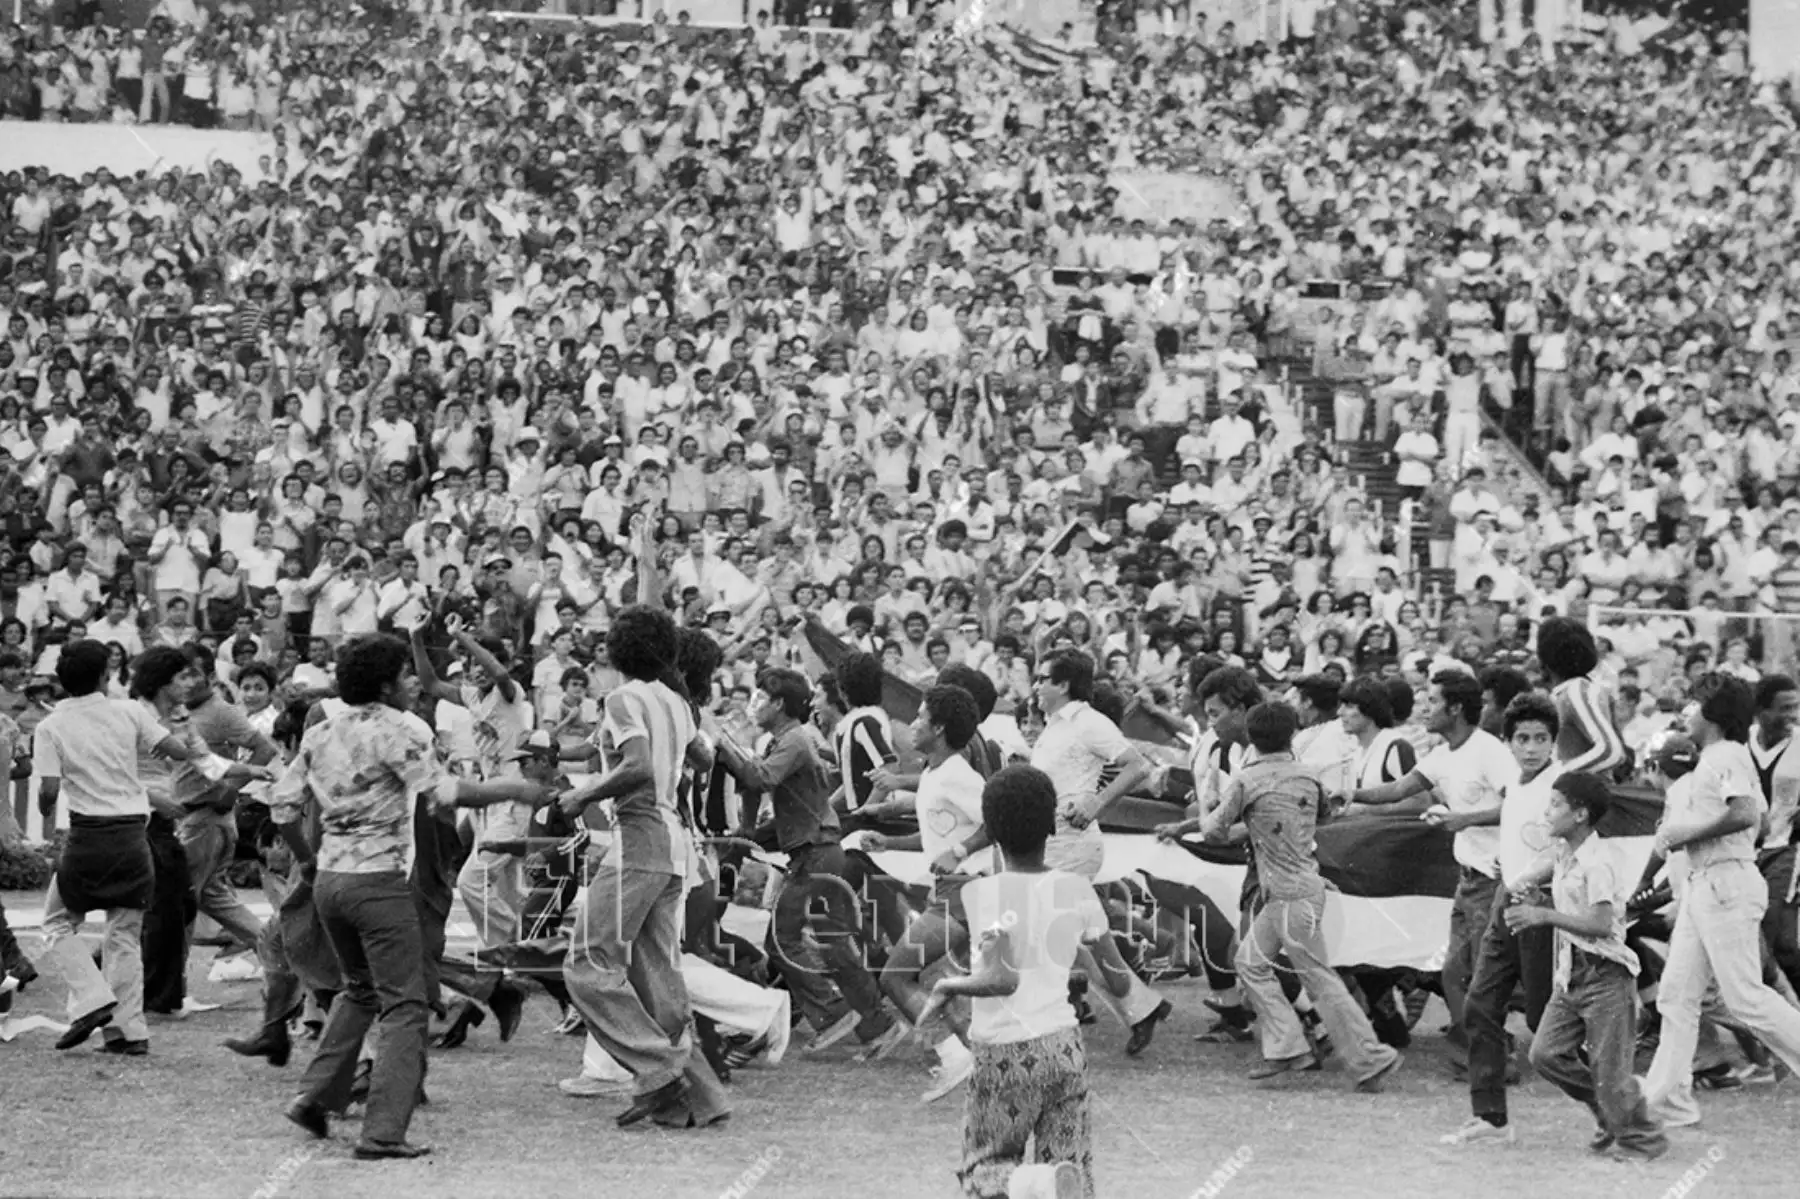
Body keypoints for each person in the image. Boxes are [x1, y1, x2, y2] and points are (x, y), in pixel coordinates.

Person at [271, 633, 550, 1159]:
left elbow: (282, 807)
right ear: (383, 684)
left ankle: (316, 1096)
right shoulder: (399, 730)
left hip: (331, 878)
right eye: (403, 677)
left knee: (359, 990)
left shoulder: (321, 732)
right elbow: (443, 793)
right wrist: (516, 789)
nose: (411, 687)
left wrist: (307, 859)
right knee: (405, 1005)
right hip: (379, 882)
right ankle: (382, 1132)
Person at [556, 605, 733, 1130]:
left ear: (614, 650)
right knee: (659, 977)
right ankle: (701, 1098)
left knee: (586, 963)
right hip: (675, 847)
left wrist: (581, 795)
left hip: (638, 840)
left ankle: (660, 1071)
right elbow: (701, 759)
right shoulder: (677, 703)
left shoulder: (622, 697)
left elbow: (634, 766)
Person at [1201, 700, 1404, 1090]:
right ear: (1291, 735)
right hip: (1297, 890)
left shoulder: (1246, 780)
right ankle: (1288, 1049)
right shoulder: (1308, 777)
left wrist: (1210, 804)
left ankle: (1370, 1058)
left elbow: (1213, 832)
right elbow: (1321, 817)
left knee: (1315, 977)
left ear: (1252, 738)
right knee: (1250, 962)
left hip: (1286, 894)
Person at [707, 666, 904, 1059]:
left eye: (762, 699)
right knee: (833, 943)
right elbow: (758, 789)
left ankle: (831, 1013)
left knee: (782, 939)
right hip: (816, 850)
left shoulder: (793, 741)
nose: (754, 706)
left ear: (779, 705)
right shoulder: (784, 740)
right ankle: (878, 1025)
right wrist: (745, 834)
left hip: (816, 852)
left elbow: (759, 779)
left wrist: (721, 742)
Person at [919, 763, 1096, 1199]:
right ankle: (1052, 1180)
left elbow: (1000, 977)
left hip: (1006, 1054)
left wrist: (947, 987)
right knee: (1072, 1168)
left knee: (984, 1171)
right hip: (1064, 1046)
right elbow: (1108, 970)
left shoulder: (983, 893)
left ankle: (1035, 1182)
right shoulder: (1076, 889)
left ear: (992, 831)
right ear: (1052, 825)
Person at [1640, 673, 1800, 1128]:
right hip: (1706, 883)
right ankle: (1665, 1101)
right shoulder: (1716, 759)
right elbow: (1763, 822)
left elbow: (1748, 814)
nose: (1687, 712)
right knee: (1677, 995)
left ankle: (1665, 1100)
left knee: (1745, 997)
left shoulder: (1723, 756)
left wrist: (1687, 834)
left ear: (1712, 713)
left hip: (1724, 883)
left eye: (1694, 703)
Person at [32, 639, 203, 1056]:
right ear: (106, 677)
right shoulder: (128, 711)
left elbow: (50, 790)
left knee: (57, 923)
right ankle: (129, 1032)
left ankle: (92, 999)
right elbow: (177, 750)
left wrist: (46, 807)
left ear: (61, 681)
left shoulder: (50, 726)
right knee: (123, 933)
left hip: (88, 834)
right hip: (132, 835)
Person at [1349, 669, 1519, 1072]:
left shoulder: (1489, 751)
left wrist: (1465, 820)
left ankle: (1492, 1056)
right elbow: (1395, 791)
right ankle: (1484, 1051)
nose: (1424, 708)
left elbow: (1519, 805)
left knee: (1476, 975)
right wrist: (1348, 793)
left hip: (1495, 877)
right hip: (1469, 879)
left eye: (1433, 701)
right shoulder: (1442, 754)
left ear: (1455, 708)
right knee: (1454, 973)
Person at [1505, 773, 1667, 1161]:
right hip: (1571, 975)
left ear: (1580, 814)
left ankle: (1642, 1139)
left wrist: (1543, 915)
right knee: (1545, 1054)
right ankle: (1610, 1115)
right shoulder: (1565, 854)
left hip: (1605, 976)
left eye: (1556, 804)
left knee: (1611, 1072)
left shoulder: (1597, 862)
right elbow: (1574, 904)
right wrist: (1540, 895)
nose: (1548, 811)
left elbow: (1599, 924)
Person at [1028, 648, 1172, 1055]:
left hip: (1072, 845)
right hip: (1052, 842)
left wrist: (1096, 803)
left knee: (1056, 936)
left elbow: (1137, 765)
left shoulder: (1090, 722)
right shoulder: (1052, 726)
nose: (1036, 685)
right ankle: (1140, 1006)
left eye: (1043, 679)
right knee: (1081, 940)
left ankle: (1056, 1024)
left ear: (1063, 684)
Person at [1441, 691, 1563, 1144]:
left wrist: (1526, 877)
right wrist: (1505, 867)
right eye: (1522, 738)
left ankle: (1616, 1107)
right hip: (1504, 902)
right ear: (1508, 742)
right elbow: (1520, 839)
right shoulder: (1516, 785)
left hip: (1542, 908)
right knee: (1479, 1005)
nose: (1531, 747)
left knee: (1545, 1021)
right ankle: (1491, 1118)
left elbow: (1568, 850)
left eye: (1541, 738)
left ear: (1554, 742)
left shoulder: (1561, 785)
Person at [864, 683, 988, 1103]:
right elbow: (938, 834)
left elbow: (997, 820)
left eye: (918, 718)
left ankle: (955, 1058)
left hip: (965, 893)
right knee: (939, 984)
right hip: (952, 891)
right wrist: (889, 843)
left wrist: (961, 851)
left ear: (938, 728)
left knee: (895, 977)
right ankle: (987, 1064)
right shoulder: (936, 773)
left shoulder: (957, 774)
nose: (911, 724)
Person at [1748, 674, 1800, 996]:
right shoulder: (1740, 742)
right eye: (1785, 708)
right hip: (1743, 852)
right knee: (1766, 941)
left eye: (1796, 706)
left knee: (1774, 936)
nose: (1793, 715)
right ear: (1760, 711)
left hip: (1787, 849)